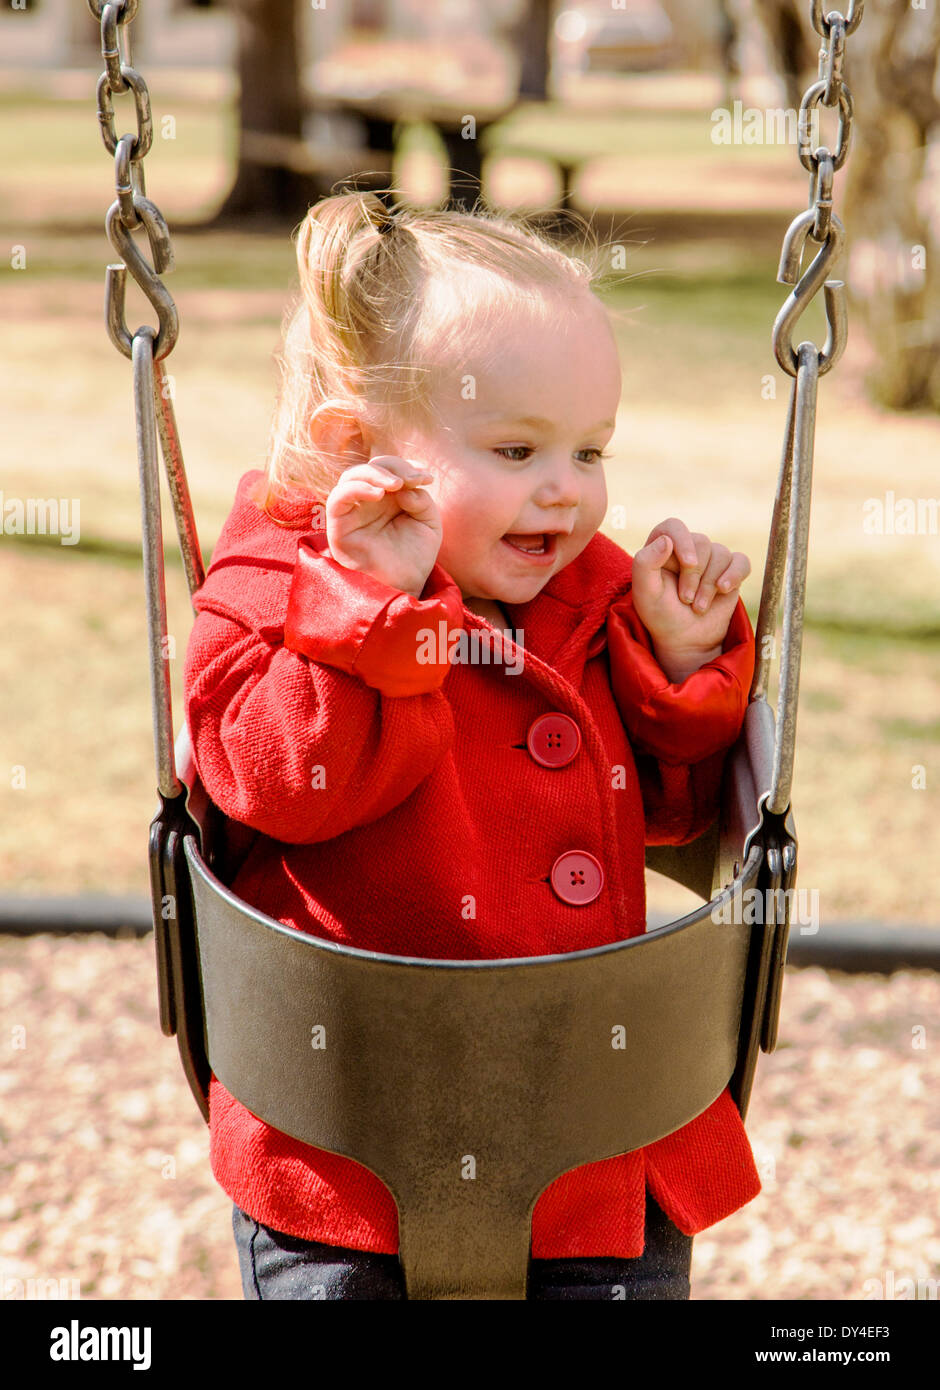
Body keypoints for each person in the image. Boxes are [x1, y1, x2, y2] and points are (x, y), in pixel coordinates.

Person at [183, 189, 761, 1300]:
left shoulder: (593, 594)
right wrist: (367, 609)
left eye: (590, 449)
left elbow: (676, 815)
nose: (568, 488)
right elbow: (271, 784)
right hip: (351, 1146)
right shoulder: (273, 586)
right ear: (355, 446)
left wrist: (680, 668)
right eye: (515, 446)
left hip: (593, 1137)